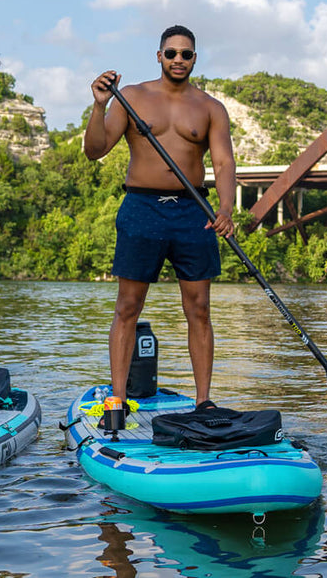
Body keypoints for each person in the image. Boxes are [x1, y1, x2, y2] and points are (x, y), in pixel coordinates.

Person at [83, 24, 236, 408]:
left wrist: (226, 208)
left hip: (193, 210)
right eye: (172, 53)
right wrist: (100, 104)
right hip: (142, 208)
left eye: (186, 54)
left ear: (195, 59)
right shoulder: (132, 97)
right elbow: (95, 150)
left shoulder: (210, 108)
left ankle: (203, 401)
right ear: (159, 56)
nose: (178, 60)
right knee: (128, 306)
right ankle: (116, 400)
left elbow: (223, 161)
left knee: (199, 307)